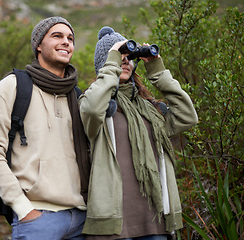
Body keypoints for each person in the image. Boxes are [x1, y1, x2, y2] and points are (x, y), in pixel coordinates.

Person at [0, 16, 90, 240]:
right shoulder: (12, 86)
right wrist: (23, 209)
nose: (66, 42)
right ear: (38, 44)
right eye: (56, 36)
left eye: (70, 38)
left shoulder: (78, 97)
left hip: (81, 220)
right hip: (38, 220)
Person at [79, 26, 198, 240]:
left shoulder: (149, 108)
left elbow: (188, 117)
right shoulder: (94, 103)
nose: (125, 61)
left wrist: (158, 72)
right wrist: (111, 65)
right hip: (113, 224)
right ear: (107, 63)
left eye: (129, 57)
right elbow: (93, 108)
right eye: (119, 57)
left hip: (154, 221)